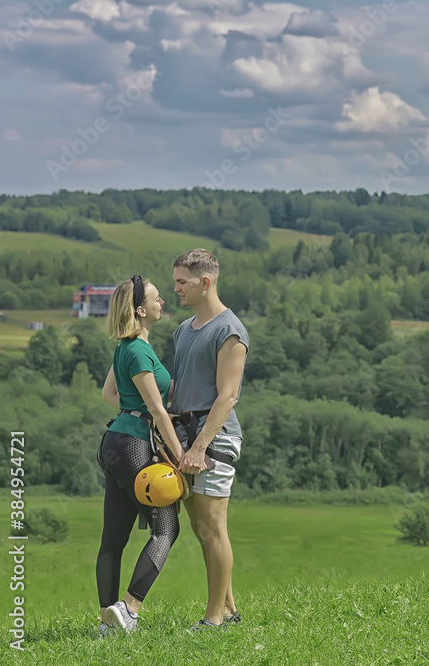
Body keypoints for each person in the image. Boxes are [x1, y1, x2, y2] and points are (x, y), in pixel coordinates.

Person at [98, 275, 184, 636]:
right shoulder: (138, 350)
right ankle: (129, 609)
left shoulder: (125, 348)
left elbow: (108, 394)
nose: (162, 302)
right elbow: (159, 410)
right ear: (140, 310)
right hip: (134, 448)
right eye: (157, 299)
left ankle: (108, 623)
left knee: (113, 539)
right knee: (167, 528)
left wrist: (133, 412)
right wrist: (180, 457)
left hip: (114, 443)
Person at [169, 249, 249, 630]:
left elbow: (228, 395)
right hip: (182, 437)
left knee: (213, 527)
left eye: (182, 281)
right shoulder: (182, 330)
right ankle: (230, 611)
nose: (176, 288)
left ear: (206, 282)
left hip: (213, 440)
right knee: (200, 530)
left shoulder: (229, 330)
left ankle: (214, 618)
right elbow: (180, 387)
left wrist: (200, 446)